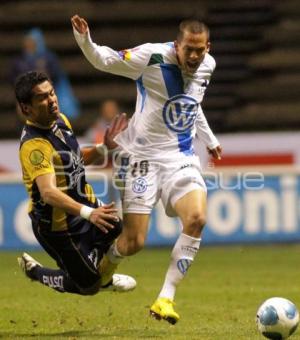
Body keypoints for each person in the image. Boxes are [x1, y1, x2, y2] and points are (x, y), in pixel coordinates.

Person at [72, 15, 222, 323]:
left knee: (197, 219)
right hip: (142, 160)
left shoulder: (209, 65)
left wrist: (209, 138)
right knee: (133, 243)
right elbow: (104, 60)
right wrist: (84, 40)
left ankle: (165, 298)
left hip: (181, 158)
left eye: (200, 50)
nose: (194, 57)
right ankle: (100, 274)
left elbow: (193, 103)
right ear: (176, 45)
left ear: (207, 47)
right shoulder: (150, 57)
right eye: (188, 50)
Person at [15, 71, 135, 296]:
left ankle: (100, 276)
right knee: (89, 287)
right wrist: (90, 213)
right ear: (26, 108)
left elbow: (76, 159)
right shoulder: (34, 146)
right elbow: (49, 193)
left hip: (83, 202)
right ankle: (37, 272)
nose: (51, 100)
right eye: (42, 97)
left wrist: (103, 148)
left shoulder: (60, 120)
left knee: (117, 229)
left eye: (51, 93)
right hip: (59, 226)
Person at [10, 28, 80, 120]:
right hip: (27, 96)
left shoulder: (48, 58)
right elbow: (14, 79)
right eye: (27, 41)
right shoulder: (19, 61)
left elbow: (55, 75)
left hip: (44, 94)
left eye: (31, 41)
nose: (29, 44)